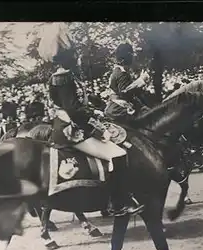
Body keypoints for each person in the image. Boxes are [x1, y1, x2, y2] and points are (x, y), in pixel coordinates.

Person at [37, 23, 143, 216]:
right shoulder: (63, 78)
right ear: (67, 58)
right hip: (71, 131)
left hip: (76, 125)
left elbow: (78, 105)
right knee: (117, 154)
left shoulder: (67, 76)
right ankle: (116, 202)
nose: (77, 58)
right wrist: (98, 125)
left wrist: (94, 111)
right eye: (74, 55)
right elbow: (73, 110)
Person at [104, 43, 151, 125]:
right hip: (118, 110)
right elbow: (125, 93)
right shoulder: (121, 73)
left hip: (116, 108)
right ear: (126, 57)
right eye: (131, 54)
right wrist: (141, 80)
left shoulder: (118, 71)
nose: (133, 57)